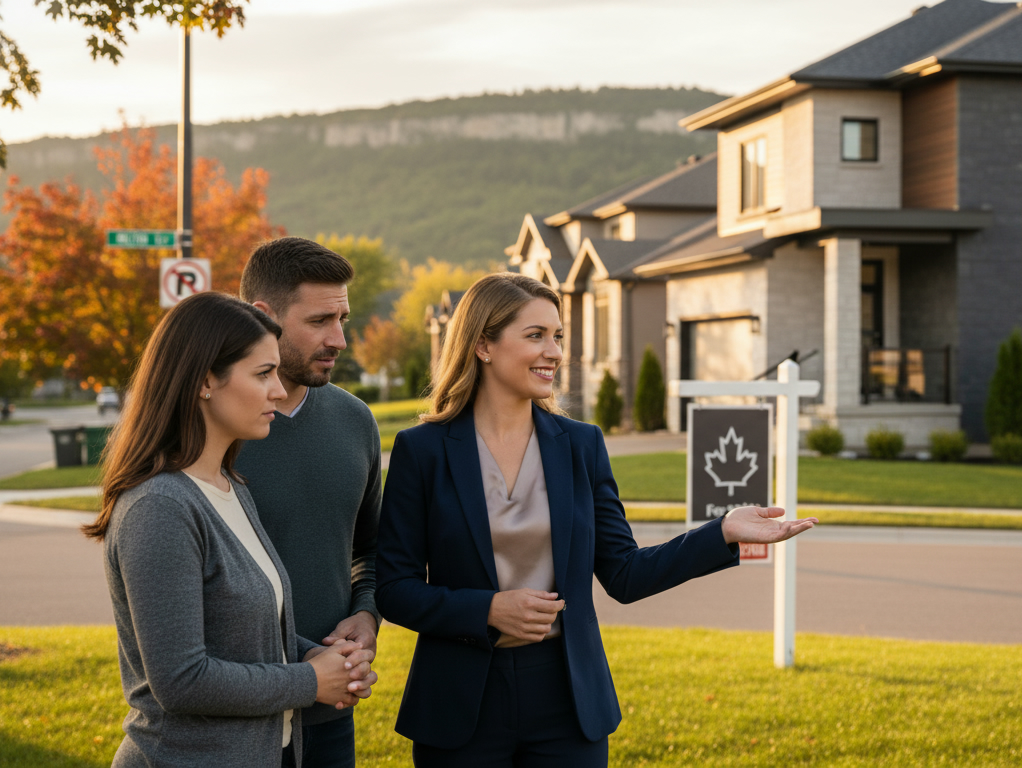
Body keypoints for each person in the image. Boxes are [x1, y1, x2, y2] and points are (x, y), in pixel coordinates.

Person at [376, 273, 817, 766]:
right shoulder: (423, 451)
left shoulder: (581, 446)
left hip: (567, 701)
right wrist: (487, 610)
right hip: (459, 703)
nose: (555, 352)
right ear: (483, 344)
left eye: (558, 336)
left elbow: (625, 575)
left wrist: (722, 533)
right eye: (536, 335)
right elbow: (395, 589)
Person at [83, 292, 377, 768]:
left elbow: (255, 632)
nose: (279, 391)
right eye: (263, 375)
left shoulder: (230, 486)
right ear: (204, 381)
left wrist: (334, 659)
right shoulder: (160, 507)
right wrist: (310, 681)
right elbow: (180, 679)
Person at [235, 237, 383, 768]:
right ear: (263, 317)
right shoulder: (212, 432)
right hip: (235, 722)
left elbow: (369, 548)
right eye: (320, 320)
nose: (339, 339)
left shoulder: (355, 420)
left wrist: (366, 615)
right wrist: (309, 664)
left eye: (342, 319)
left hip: (331, 715)